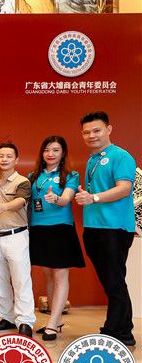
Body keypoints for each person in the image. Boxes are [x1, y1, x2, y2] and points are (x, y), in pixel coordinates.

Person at [75, 111, 136, 346]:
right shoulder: (93, 159)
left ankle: (118, 331)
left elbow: (124, 188)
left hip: (114, 228)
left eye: (96, 130)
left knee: (114, 281)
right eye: (86, 132)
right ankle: (120, 328)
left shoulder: (121, 156)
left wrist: (94, 198)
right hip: (94, 227)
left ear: (109, 129)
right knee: (112, 281)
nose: (91, 135)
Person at [28, 136, 84, 341]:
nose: (50, 154)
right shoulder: (33, 176)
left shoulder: (70, 175)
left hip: (60, 229)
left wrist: (56, 198)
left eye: (55, 150)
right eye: (47, 150)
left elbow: (66, 199)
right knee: (48, 275)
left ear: (63, 153)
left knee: (60, 275)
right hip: (38, 228)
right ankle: (56, 318)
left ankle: (52, 323)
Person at [0, 143, 35, 338]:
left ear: (16, 160)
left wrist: (4, 207)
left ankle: (25, 321)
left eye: (9, 156)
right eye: (1, 156)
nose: (4, 159)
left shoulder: (23, 182)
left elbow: (21, 201)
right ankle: (6, 317)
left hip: (16, 236)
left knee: (21, 280)